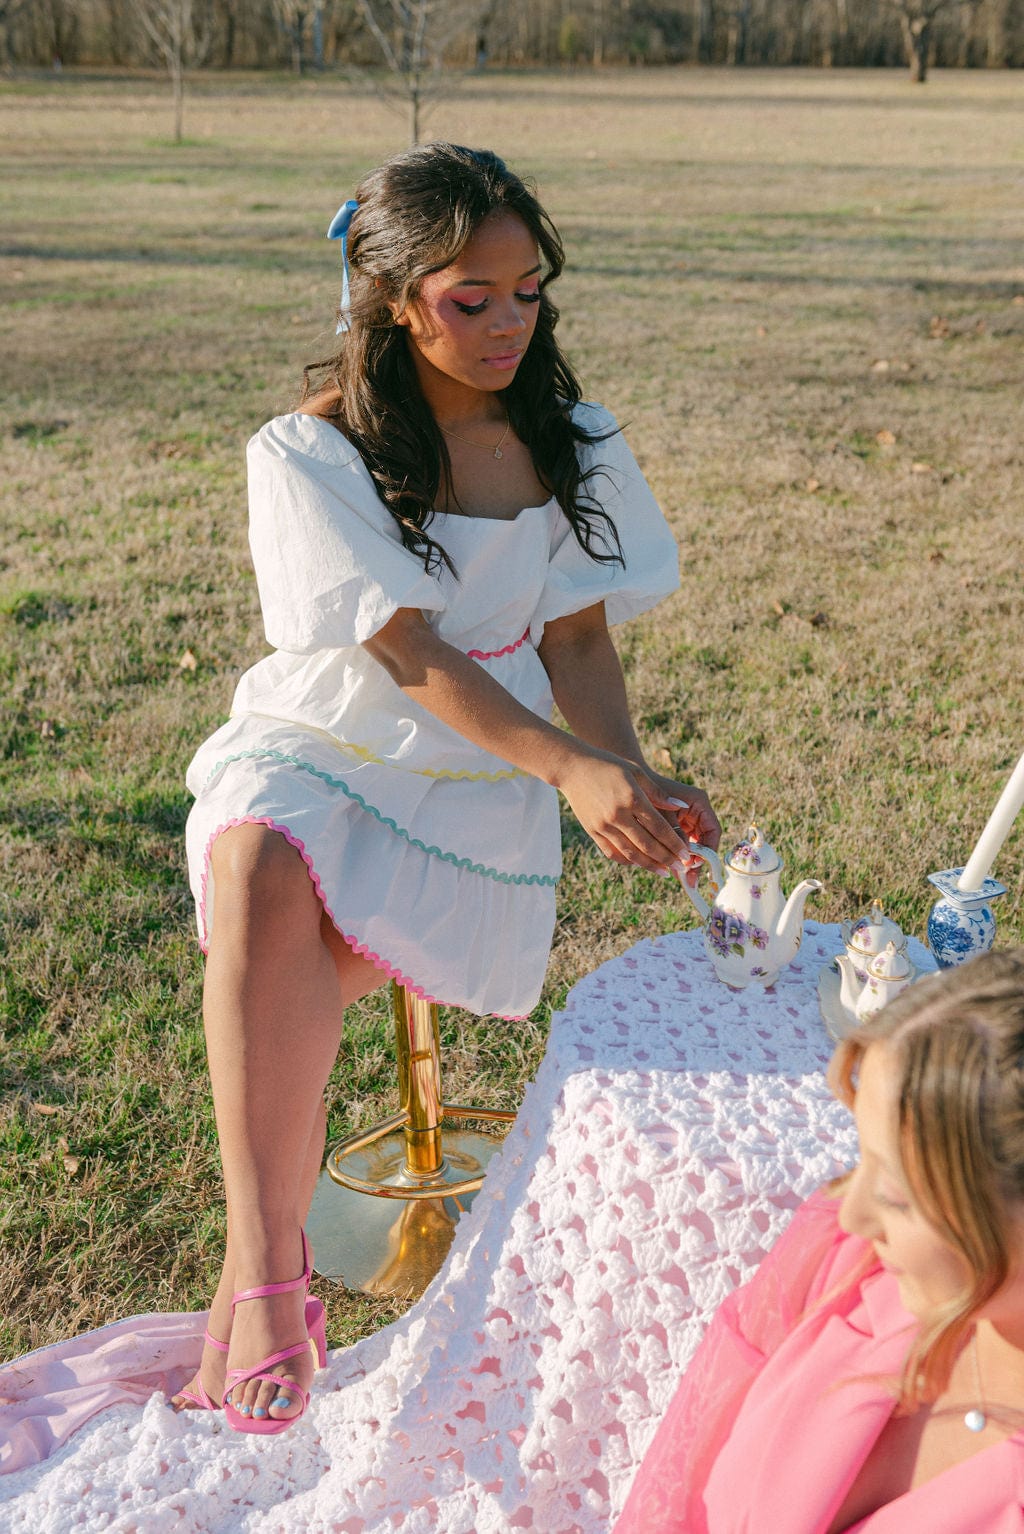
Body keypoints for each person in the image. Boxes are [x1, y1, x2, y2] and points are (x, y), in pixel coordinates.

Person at [172, 142, 720, 1434]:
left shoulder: (569, 434)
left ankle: (258, 1279)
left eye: (530, 290)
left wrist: (625, 774)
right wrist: (576, 765)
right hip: (337, 727)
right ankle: (267, 1264)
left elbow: (576, 640)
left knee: (288, 946)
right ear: (394, 296)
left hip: (489, 759)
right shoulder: (309, 450)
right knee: (259, 851)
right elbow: (404, 651)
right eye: (473, 297)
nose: (510, 322)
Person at [614, 948, 1024, 1532]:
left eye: (897, 1193)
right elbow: (687, 1460)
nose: (852, 1213)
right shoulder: (847, 1259)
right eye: (862, 1159)